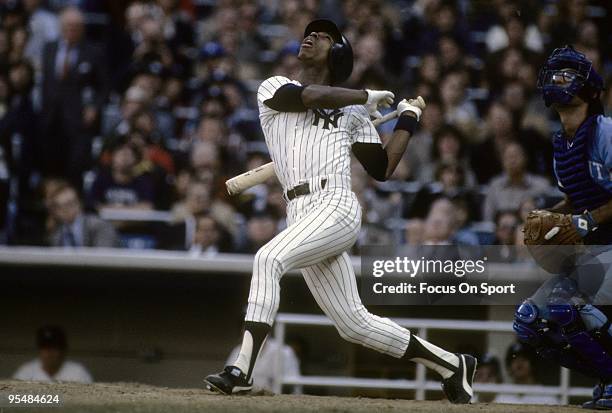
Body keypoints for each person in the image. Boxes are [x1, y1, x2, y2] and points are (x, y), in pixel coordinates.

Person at [204, 19, 476, 403]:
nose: (311, 36)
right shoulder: (275, 87)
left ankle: (241, 368)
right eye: (310, 33)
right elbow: (310, 97)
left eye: (324, 35)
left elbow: (381, 168)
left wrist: (408, 121)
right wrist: (363, 95)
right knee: (352, 323)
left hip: (336, 205)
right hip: (299, 211)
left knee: (268, 258)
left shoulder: (353, 114)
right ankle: (451, 364)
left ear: (337, 52)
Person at [512, 46, 612, 410]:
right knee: (528, 323)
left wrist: (585, 221)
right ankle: (608, 378)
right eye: (555, 74)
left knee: (563, 306)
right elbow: (575, 199)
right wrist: (546, 217)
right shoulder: (561, 145)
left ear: (589, 91)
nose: (558, 79)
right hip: (594, 250)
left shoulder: (605, 131)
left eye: (568, 75)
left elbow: (589, 211)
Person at [39, 7, 107, 187]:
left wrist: (94, 107)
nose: (72, 29)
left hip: (77, 120)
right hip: (50, 118)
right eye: (68, 25)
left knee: (74, 167)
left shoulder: (93, 51)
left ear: (83, 28)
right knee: (49, 167)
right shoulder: (49, 49)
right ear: (60, 26)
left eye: (76, 26)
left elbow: (103, 87)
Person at [47, 182, 118, 247]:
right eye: (61, 206)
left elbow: (104, 257)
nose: (67, 210)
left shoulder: (100, 226)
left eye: (71, 203)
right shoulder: (56, 234)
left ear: (80, 203)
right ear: (55, 211)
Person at [13, 325, 93, 383]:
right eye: (45, 347)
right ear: (39, 350)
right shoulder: (26, 372)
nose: (49, 352)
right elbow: (11, 400)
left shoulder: (78, 372)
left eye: (54, 347)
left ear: (62, 350)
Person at [494, 343, 558, 405]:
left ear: (532, 364)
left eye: (524, 358)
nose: (519, 362)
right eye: (514, 359)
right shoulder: (502, 396)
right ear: (508, 366)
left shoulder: (547, 397)